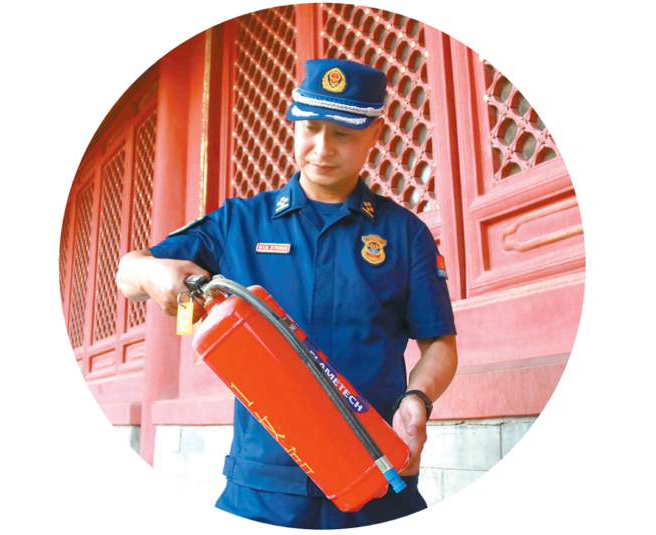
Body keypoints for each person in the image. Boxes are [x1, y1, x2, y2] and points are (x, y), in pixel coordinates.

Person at [116, 58, 458, 529]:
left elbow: (439, 343)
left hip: (375, 470)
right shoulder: (239, 222)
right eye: (311, 129)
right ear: (294, 125)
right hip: (262, 484)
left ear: (374, 135)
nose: (322, 148)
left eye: (343, 134)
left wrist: (418, 398)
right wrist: (150, 272)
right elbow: (129, 273)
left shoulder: (405, 234)